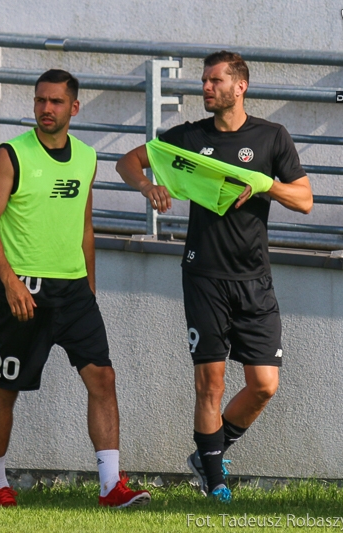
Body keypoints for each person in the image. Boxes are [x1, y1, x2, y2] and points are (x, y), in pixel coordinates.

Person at [116, 51, 313, 503]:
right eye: (203, 81)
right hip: (204, 275)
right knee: (211, 382)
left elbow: (304, 200)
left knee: (264, 384)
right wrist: (149, 186)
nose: (205, 88)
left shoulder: (270, 137)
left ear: (239, 86)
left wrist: (266, 184)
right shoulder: (188, 137)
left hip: (255, 280)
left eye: (214, 81)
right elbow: (127, 161)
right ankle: (215, 480)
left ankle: (210, 452)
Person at [0, 69, 151, 509]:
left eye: (55, 102)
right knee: (5, 388)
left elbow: (85, 227)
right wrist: (10, 281)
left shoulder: (86, 158)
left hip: (74, 293)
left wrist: (90, 286)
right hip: (24, 292)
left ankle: (111, 486)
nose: (46, 109)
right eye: (40, 101)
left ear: (74, 107)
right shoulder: (11, 154)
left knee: (103, 379)